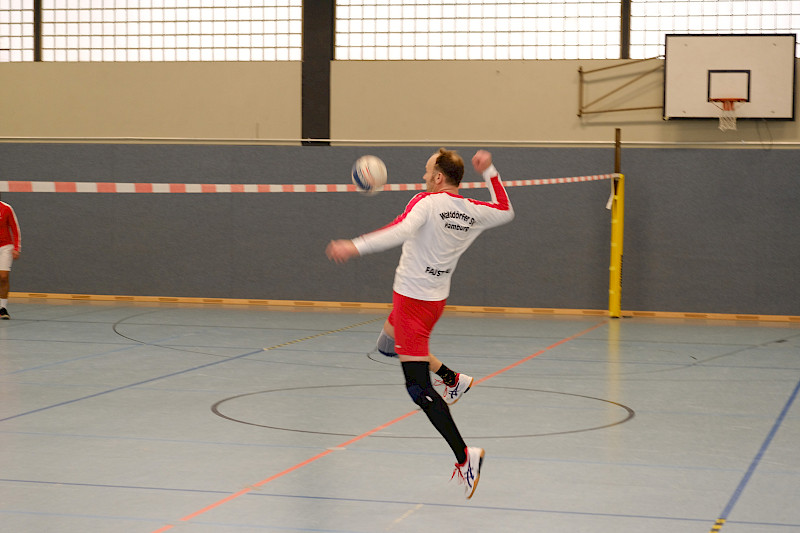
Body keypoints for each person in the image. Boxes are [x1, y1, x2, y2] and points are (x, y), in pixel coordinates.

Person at [326, 148, 514, 498]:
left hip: (412, 301)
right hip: (432, 300)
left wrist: (355, 246)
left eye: (428, 170)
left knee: (418, 389)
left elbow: (399, 230)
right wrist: (489, 171)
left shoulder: (426, 202)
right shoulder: (472, 210)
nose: (424, 175)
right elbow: (506, 210)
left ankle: (464, 456)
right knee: (386, 346)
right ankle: (453, 379)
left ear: (439, 178)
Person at [0, 193, 22, 320]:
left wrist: (16, 248)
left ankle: (3, 308)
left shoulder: (7, 208)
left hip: (5, 246)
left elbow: (15, 228)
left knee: (3, 276)